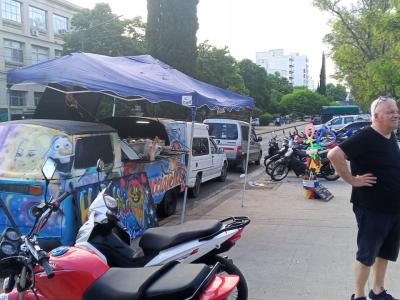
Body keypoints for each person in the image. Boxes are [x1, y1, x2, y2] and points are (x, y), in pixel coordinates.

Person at [328, 96, 400, 300]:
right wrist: (352, 180)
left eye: (396, 110)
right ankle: (358, 296)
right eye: (390, 112)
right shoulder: (366, 136)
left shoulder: (390, 135)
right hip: (372, 207)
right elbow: (334, 155)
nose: (396, 114)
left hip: (393, 207)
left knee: (385, 251)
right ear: (376, 116)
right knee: (367, 253)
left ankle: (377, 291)